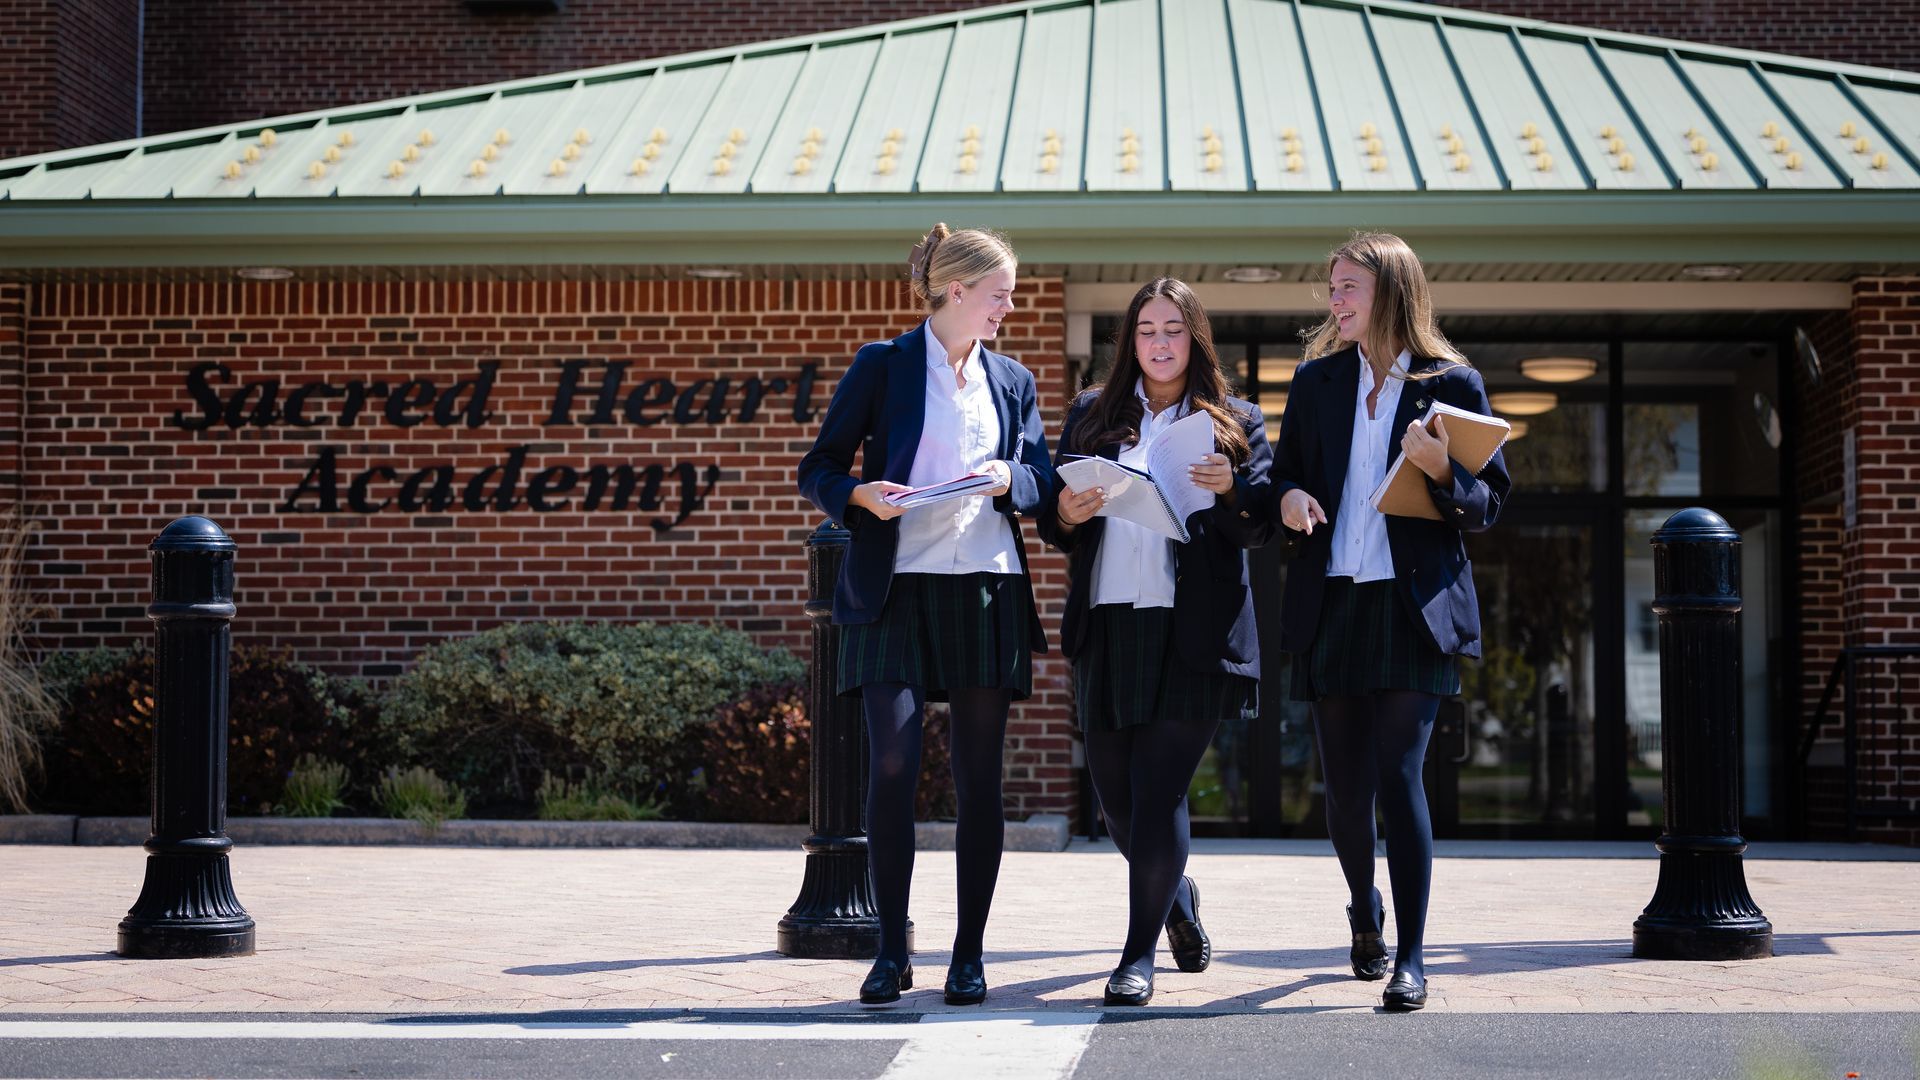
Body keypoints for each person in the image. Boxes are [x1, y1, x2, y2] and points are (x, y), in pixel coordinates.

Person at [796, 223, 1053, 1007]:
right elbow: (820, 467)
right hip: (894, 585)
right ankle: (890, 949)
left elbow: (1040, 474)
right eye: (1001, 294)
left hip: (986, 583)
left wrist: (1014, 477)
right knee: (894, 762)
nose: (1010, 306)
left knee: (979, 778)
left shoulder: (1012, 379)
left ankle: (968, 954)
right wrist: (858, 496)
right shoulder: (885, 366)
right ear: (956, 290)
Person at [1270, 232, 1509, 1011]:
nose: (1335, 300)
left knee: (1399, 774)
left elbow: (1487, 504)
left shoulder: (1454, 385)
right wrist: (1289, 500)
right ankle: (1362, 906)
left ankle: (1411, 956)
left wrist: (1443, 471)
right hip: (1335, 598)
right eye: (1331, 287)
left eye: (1349, 288)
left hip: (1413, 606)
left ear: (1391, 292)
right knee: (1342, 788)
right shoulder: (1316, 382)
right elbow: (1286, 477)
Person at [1040, 277, 1272, 1006]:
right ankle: (1176, 896)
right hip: (1110, 621)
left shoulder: (1237, 418)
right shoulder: (1091, 413)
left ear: (1194, 338)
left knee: (1159, 790)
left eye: (1173, 330)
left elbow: (1258, 525)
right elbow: (1053, 524)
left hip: (1190, 628)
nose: (1160, 343)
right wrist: (1070, 512)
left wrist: (1232, 489)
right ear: (1129, 341)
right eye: (1146, 330)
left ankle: (1136, 957)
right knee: (1116, 803)